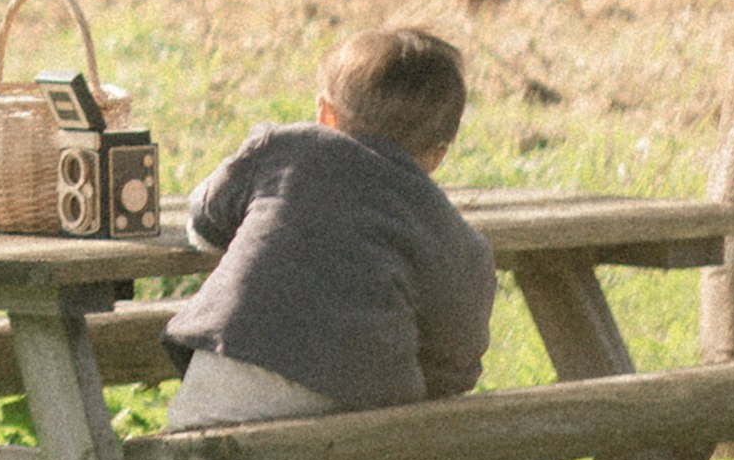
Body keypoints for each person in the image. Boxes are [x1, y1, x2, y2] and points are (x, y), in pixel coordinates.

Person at [162, 23, 494, 433]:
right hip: (364, 423)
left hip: (223, 397)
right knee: (360, 433)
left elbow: (203, 225)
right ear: (437, 156)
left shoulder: (283, 151)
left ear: (326, 114)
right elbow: (456, 366)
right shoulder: (456, 240)